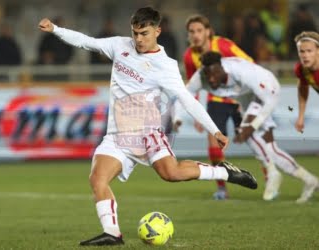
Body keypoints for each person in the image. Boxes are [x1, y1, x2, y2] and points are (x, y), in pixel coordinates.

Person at [38, 7, 257, 246]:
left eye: (144, 33)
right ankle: (112, 233)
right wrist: (56, 30)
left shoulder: (166, 66)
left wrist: (214, 130)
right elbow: (86, 42)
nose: (138, 39)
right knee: (97, 179)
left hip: (147, 133)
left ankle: (224, 172)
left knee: (171, 174)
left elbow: (186, 99)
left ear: (157, 31)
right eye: (135, 33)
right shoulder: (120, 45)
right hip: (117, 135)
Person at [176, 51, 318, 203]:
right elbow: (185, 95)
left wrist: (251, 126)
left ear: (222, 69)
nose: (211, 79)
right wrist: (177, 117)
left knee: (247, 133)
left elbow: (269, 100)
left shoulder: (243, 73)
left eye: (214, 74)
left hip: (267, 90)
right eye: (207, 75)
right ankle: (306, 179)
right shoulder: (201, 77)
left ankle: (274, 172)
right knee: (270, 148)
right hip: (246, 98)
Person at [182, 14, 254, 200]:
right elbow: (192, 87)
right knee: (213, 144)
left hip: (239, 100)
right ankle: (222, 189)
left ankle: (271, 180)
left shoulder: (223, 45)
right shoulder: (190, 56)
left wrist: (245, 95)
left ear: (208, 31)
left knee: (258, 143)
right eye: (192, 31)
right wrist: (198, 115)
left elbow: (249, 64)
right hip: (216, 102)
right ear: (188, 35)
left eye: (199, 30)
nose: (196, 35)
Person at [293, 31, 319, 133]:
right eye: (302, 51)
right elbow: (303, 91)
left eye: (309, 51)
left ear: (318, 50)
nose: (305, 55)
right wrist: (301, 117)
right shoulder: (301, 69)